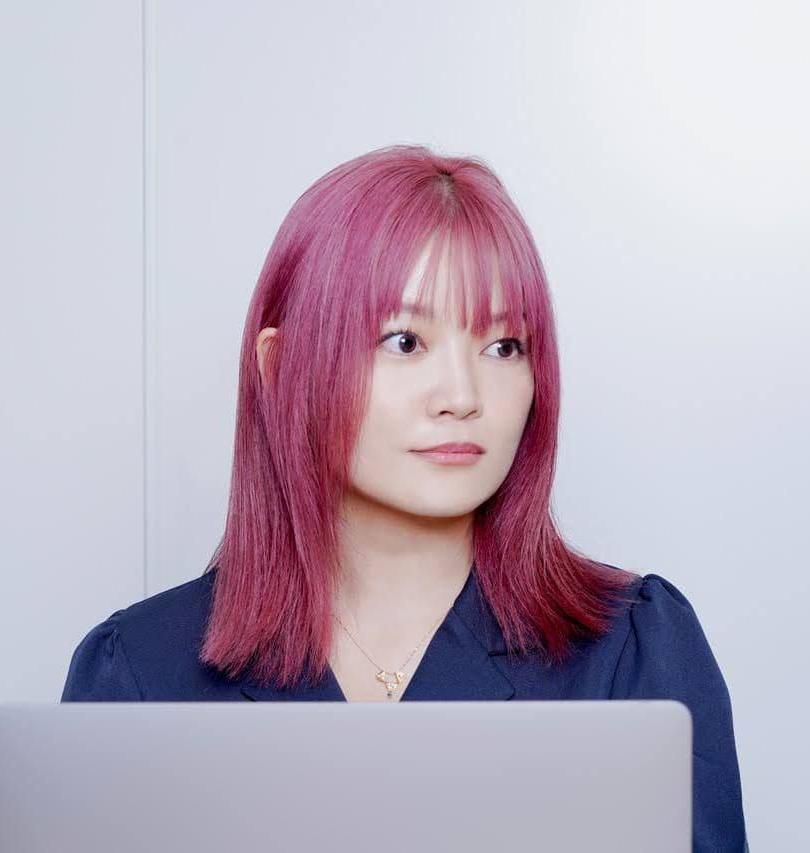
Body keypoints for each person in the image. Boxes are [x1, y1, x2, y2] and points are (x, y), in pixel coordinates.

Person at [62, 145, 748, 850]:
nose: (461, 396)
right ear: (280, 364)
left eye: (505, 345)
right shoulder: (139, 671)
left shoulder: (632, 654)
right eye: (404, 339)